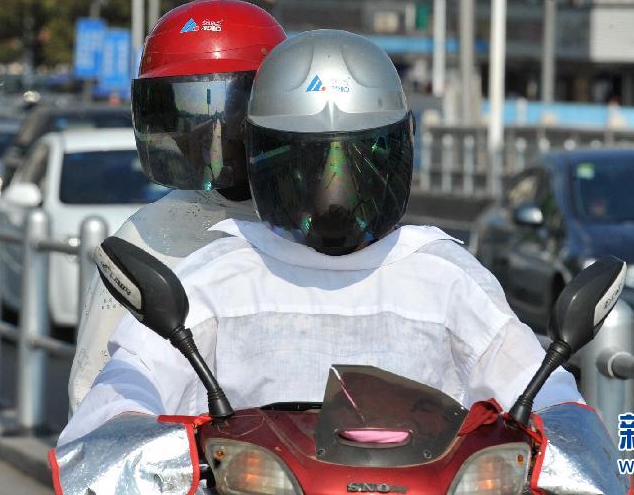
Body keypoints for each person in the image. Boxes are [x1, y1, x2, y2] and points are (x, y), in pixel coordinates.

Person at [59, 30, 582, 446]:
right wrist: (123, 421)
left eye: (357, 163)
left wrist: (563, 425)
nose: (334, 193)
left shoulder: (447, 278)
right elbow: (128, 382)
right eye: (308, 166)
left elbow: (537, 384)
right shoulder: (215, 280)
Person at [67, 0, 286, 413]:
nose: (207, 134)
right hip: (193, 463)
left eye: (227, 113)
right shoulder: (150, 234)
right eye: (187, 118)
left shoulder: (311, 225)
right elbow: (93, 387)